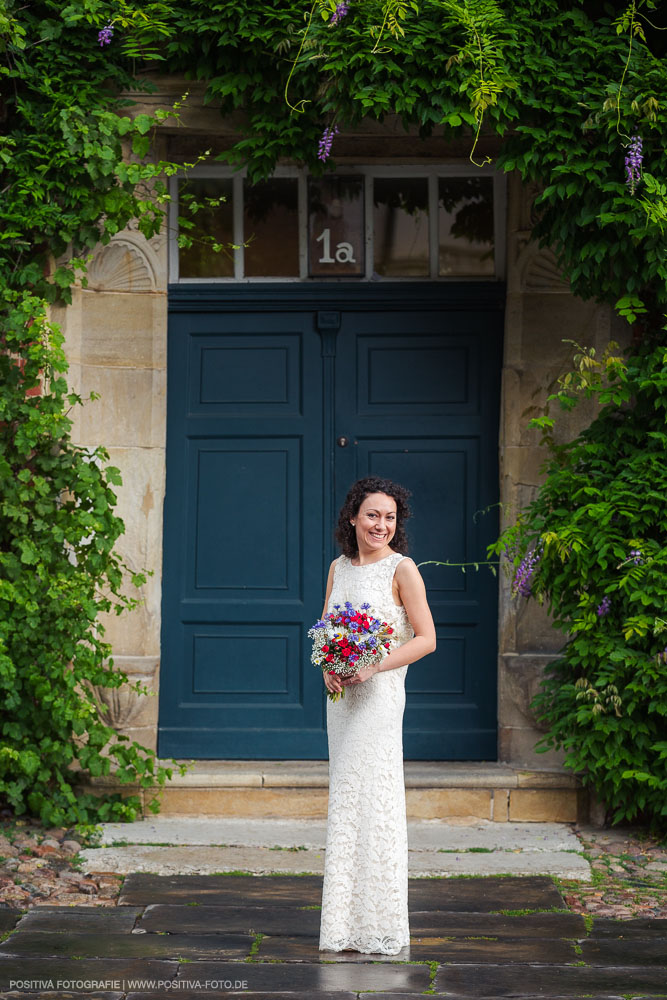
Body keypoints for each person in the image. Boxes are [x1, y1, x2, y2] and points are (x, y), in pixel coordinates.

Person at [318, 476, 436, 955]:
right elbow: (325, 630)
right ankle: (343, 927)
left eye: (389, 517)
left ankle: (380, 923)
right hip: (343, 702)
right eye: (372, 515)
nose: (381, 525)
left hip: (381, 698)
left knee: (375, 798)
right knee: (346, 800)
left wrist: (373, 666)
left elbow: (426, 638)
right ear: (352, 517)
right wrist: (330, 666)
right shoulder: (338, 568)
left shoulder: (402, 569)